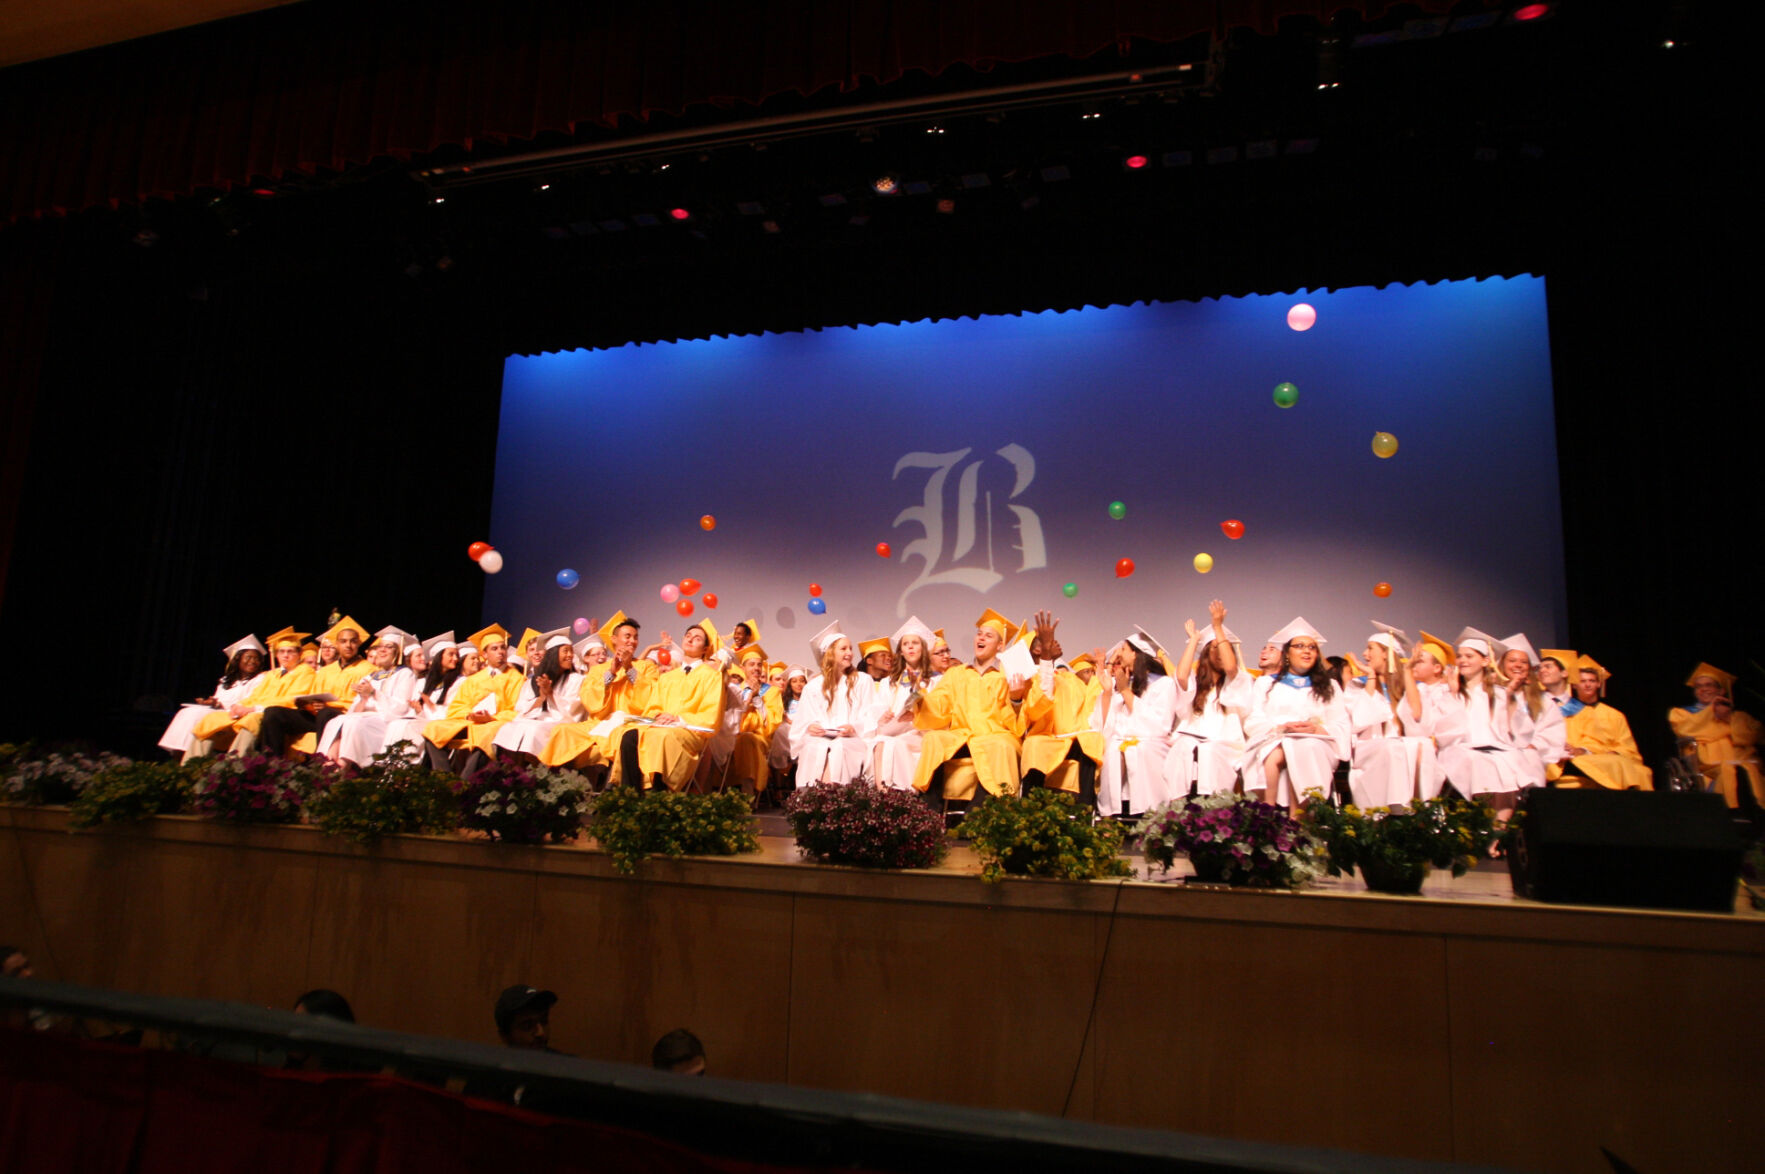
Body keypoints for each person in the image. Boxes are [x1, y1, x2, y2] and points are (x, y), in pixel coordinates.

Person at [912, 609, 1027, 805]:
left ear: (1000, 646)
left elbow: (1016, 724)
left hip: (994, 735)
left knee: (1001, 745)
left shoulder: (1007, 675)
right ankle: (929, 809)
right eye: (979, 634)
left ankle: (981, 811)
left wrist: (1016, 699)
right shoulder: (956, 673)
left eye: (988, 636)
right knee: (934, 739)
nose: (981, 638)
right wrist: (919, 694)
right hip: (962, 736)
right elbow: (939, 705)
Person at [1238, 618, 1349, 808]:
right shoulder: (1266, 683)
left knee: (1304, 748)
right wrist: (1280, 727)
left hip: (1317, 741)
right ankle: (1267, 813)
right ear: (1287, 653)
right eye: (1299, 646)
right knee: (1273, 753)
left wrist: (1316, 729)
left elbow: (1341, 722)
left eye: (1312, 647)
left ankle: (1299, 818)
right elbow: (1254, 718)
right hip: (1275, 737)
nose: (1307, 651)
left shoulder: (1330, 686)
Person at [1433, 627, 1533, 820]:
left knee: (1510, 760)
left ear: (1486, 661)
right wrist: (1453, 693)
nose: (1462, 660)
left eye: (1469, 656)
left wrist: (1511, 699)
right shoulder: (1446, 692)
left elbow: (1515, 731)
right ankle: (1484, 827)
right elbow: (1445, 732)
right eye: (1460, 656)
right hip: (1459, 749)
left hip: (1494, 748)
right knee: (1482, 762)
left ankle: (1498, 831)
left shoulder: (1499, 693)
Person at [614, 618, 726, 790]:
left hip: (689, 730)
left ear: (705, 649)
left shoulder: (712, 677)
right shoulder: (667, 677)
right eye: (688, 635)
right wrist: (658, 715)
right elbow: (653, 705)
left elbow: (711, 714)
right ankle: (631, 793)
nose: (690, 639)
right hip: (660, 726)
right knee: (629, 736)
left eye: (697, 638)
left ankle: (658, 794)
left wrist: (678, 719)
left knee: (662, 737)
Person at [542, 612, 656, 775]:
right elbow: (590, 701)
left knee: (622, 736)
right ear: (614, 639)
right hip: (601, 722)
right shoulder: (598, 670)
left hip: (631, 722)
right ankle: (555, 783)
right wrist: (610, 674)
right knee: (562, 731)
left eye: (635, 637)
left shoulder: (647, 667)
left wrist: (629, 668)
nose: (632, 641)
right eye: (628, 636)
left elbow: (650, 696)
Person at [1341, 623, 1440, 807]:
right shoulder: (1358, 684)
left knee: (1423, 745)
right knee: (1394, 747)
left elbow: (1417, 718)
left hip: (1402, 745)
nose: (1364, 654)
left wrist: (1408, 673)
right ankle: (1397, 811)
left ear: (1386, 653)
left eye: (1370, 648)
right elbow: (1360, 719)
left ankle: (1420, 809)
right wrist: (1371, 677)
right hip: (1370, 748)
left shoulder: (1414, 687)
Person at [1164, 600, 1253, 799]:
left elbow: (1230, 667)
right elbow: (1181, 677)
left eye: (1224, 647)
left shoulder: (1237, 681)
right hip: (1193, 739)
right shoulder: (1197, 684)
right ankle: (1178, 808)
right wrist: (1194, 640)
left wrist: (1217, 627)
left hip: (1225, 743)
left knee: (1209, 750)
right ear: (1205, 653)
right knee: (1182, 748)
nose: (1221, 651)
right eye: (1215, 647)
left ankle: (1213, 808)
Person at [186, 628, 315, 759]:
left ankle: (233, 763)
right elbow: (255, 695)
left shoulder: (305, 672)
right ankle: (192, 764)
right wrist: (239, 706)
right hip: (255, 710)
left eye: (290, 651)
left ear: (299, 653)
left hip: (275, 713)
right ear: (276, 654)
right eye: (281, 651)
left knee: (251, 720)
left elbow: (292, 699)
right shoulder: (272, 674)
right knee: (211, 719)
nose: (285, 655)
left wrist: (253, 708)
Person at [260, 615, 373, 758]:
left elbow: (364, 703)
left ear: (359, 643)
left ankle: (321, 764)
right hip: (318, 714)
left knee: (326, 713)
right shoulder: (326, 671)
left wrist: (327, 706)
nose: (348, 645)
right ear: (336, 644)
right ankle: (270, 763)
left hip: (344, 715)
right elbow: (313, 695)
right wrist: (307, 704)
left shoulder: (369, 670)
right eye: (343, 641)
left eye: (353, 641)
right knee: (273, 712)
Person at [1019, 610, 1102, 806]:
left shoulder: (1067, 677)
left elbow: (1089, 700)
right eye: (1047, 641)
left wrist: (1100, 669)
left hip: (1073, 737)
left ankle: (1085, 809)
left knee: (1091, 742)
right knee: (1034, 747)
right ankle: (1030, 809)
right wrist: (1047, 655)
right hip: (1046, 737)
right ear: (1037, 650)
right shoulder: (1031, 676)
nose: (1055, 642)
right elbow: (1040, 700)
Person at [1094, 629, 1177, 817]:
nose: (1119, 654)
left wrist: (1125, 692)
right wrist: (1108, 692)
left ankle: (1149, 812)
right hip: (1123, 741)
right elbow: (1107, 725)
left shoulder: (1164, 684)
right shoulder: (1126, 682)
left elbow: (1158, 725)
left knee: (1138, 748)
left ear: (1136, 654)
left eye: (1124, 649)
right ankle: (1112, 814)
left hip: (1152, 743)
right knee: (1113, 748)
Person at [423, 624, 523, 771]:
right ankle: (444, 775)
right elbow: (457, 706)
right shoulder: (474, 679)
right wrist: (469, 715)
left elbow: (518, 710)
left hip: (495, 723)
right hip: (470, 721)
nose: (500, 652)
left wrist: (491, 718)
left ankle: (465, 781)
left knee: (484, 735)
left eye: (503, 648)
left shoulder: (517, 679)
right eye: (494, 649)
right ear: (485, 654)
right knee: (433, 729)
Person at [1547, 655, 1653, 790]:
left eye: (1592, 681)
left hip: (1607, 757)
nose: (1587, 684)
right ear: (1574, 684)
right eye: (1582, 681)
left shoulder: (1614, 715)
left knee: (1642, 772)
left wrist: (1614, 752)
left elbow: (1628, 748)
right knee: (1613, 764)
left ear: (1598, 684)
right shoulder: (1566, 711)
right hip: (1577, 759)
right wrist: (1576, 750)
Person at [317, 626, 418, 766]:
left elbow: (401, 708)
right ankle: (327, 763)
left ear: (398, 651)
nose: (382, 650)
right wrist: (364, 698)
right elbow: (355, 711)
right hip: (365, 718)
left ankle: (342, 767)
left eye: (388, 647)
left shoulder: (405, 674)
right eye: (380, 646)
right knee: (337, 721)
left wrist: (374, 693)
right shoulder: (371, 676)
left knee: (353, 723)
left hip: (385, 721)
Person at [791, 624, 875, 786]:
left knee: (839, 746)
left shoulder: (862, 681)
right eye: (843, 649)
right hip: (820, 738)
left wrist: (854, 727)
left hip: (852, 739)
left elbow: (870, 715)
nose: (849, 653)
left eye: (850, 648)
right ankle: (810, 796)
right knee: (813, 747)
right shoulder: (813, 687)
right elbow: (802, 722)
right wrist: (810, 727)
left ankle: (831, 795)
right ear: (830, 653)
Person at [1669, 662, 1761, 806]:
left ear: (1721, 690)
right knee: (1728, 770)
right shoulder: (1681, 713)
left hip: (1738, 759)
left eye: (1709, 685)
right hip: (1706, 763)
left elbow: (1754, 736)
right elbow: (1686, 730)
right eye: (1698, 686)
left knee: (1746, 769)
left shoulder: (1738, 716)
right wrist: (1713, 713)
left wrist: (1727, 718)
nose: (1704, 689)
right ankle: (1730, 809)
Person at [158, 636, 266, 756]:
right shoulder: (226, 680)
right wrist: (212, 702)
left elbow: (250, 700)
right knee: (186, 712)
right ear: (238, 659)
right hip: (219, 711)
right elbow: (219, 699)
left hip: (236, 714)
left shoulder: (260, 679)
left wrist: (220, 705)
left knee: (196, 715)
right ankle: (179, 751)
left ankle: (189, 754)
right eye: (248, 657)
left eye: (257, 659)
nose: (253, 661)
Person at [493, 631, 585, 762]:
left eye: (571, 651)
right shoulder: (534, 681)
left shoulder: (576, 679)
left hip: (560, 723)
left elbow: (573, 711)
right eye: (565, 651)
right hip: (538, 719)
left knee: (534, 729)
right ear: (553, 655)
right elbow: (521, 708)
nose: (570, 655)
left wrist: (550, 694)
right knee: (508, 727)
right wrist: (541, 697)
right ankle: (509, 770)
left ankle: (533, 772)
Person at [869, 616, 934, 790]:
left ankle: (902, 793)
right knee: (880, 742)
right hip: (892, 731)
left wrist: (917, 715)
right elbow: (878, 710)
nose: (910, 647)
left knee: (889, 743)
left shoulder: (934, 680)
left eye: (915, 643)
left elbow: (938, 712)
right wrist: (883, 717)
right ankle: (883, 793)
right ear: (901, 652)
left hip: (920, 734)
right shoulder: (888, 682)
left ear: (923, 648)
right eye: (905, 644)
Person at [1496, 633, 1564, 789]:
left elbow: (1552, 731)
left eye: (1524, 662)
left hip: (1528, 758)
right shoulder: (1489, 694)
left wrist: (1534, 745)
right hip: (1497, 755)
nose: (1518, 665)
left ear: (1529, 668)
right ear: (1502, 665)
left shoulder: (1543, 701)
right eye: (1512, 661)